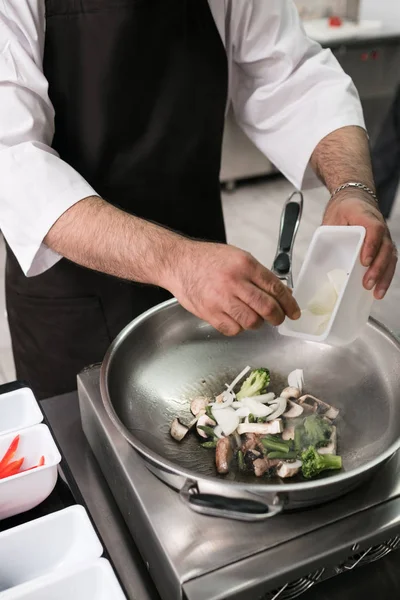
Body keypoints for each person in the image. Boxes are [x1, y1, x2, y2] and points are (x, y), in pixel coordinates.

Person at [0, 0, 396, 400]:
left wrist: (352, 187)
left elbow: (291, 76)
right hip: (72, 288)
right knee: (82, 447)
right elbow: (13, 161)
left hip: (204, 259)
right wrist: (176, 261)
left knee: (211, 426)